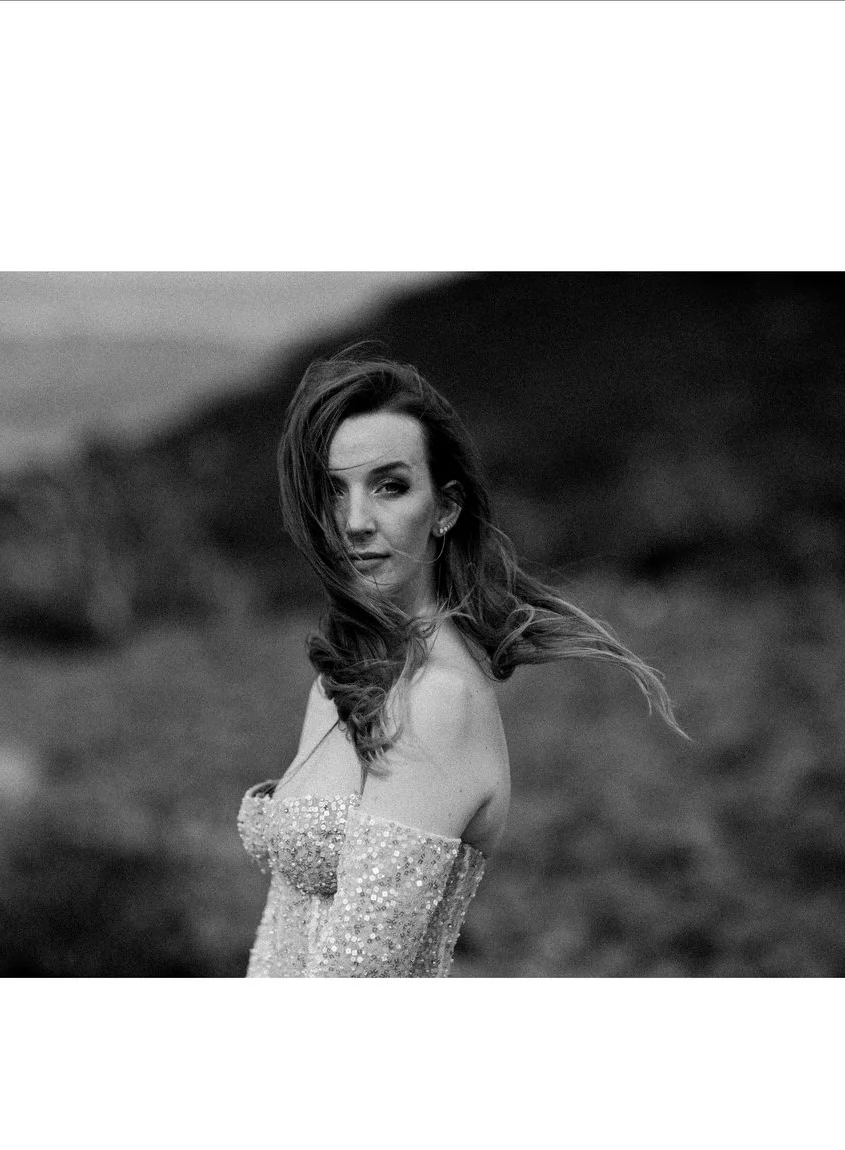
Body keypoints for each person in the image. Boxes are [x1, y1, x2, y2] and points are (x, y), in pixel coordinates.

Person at [237, 348, 681, 977]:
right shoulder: (348, 674)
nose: (356, 522)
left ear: (445, 508)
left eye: (390, 486)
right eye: (335, 492)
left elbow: (358, 977)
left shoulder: (437, 702)